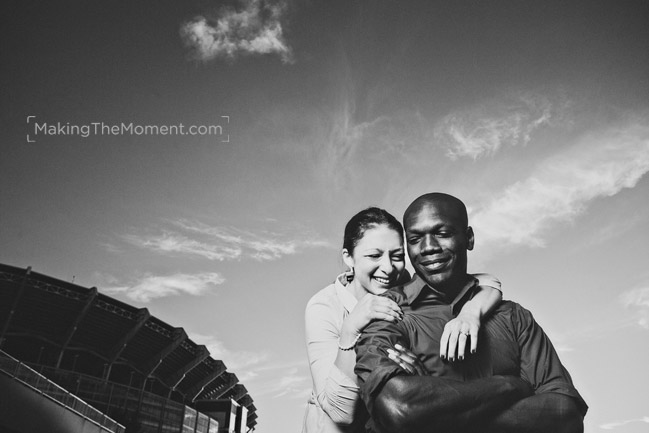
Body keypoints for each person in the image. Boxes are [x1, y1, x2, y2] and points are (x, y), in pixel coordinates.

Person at [354, 193, 588, 433]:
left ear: (468, 238)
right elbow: (401, 409)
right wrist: (511, 386)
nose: (428, 248)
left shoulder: (513, 317)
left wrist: (435, 415)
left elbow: (565, 414)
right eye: (415, 239)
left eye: (442, 234)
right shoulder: (385, 311)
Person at [303, 207, 504, 433]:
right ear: (348, 257)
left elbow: (485, 282)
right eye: (374, 255)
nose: (388, 268)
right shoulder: (324, 306)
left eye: (397, 256)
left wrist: (471, 312)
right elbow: (341, 414)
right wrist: (351, 328)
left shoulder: (401, 284)